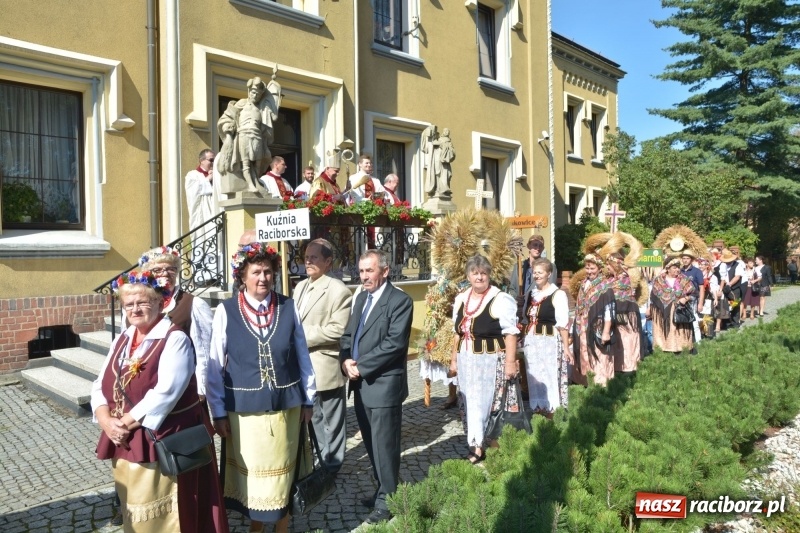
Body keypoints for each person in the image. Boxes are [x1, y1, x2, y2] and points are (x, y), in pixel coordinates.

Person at [91, 271, 227, 533]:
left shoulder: (174, 338)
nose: (135, 309)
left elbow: (165, 392)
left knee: (164, 513)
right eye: (129, 304)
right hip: (124, 438)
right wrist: (107, 421)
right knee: (133, 510)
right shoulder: (122, 340)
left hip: (162, 439)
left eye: (142, 302)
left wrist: (123, 424)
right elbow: (99, 384)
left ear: (160, 302)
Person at [207, 243, 316, 533]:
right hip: (244, 413)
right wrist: (217, 412)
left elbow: (303, 356)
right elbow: (214, 367)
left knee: (283, 475)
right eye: (256, 272)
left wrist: (309, 400)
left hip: (287, 408)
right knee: (254, 481)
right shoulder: (226, 311)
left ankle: (282, 529)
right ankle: (256, 530)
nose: (263, 278)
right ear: (242, 276)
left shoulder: (287, 306)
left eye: (268, 271)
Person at [339, 250, 413, 525]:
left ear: (385, 271)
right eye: (361, 271)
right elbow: (348, 334)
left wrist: (361, 366)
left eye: (369, 271)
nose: (364, 276)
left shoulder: (400, 301)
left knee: (385, 446)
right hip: (359, 385)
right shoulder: (360, 298)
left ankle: (388, 501)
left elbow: (394, 344)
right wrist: (345, 360)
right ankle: (383, 490)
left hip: (382, 385)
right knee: (371, 445)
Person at [449, 255, 518, 463]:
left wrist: (510, 362)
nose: (479, 277)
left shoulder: (500, 299)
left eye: (483, 273)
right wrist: (453, 359)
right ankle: (475, 445)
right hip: (466, 361)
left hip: (490, 362)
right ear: (468, 275)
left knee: (490, 403)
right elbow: (457, 333)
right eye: (475, 273)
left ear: (489, 275)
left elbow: (511, 333)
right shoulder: (461, 299)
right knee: (470, 401)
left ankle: (495, 445)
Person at [293, 239, 352, 474]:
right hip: (303, 365)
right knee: (314, 416)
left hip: (325, 364)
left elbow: (339, 329)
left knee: (332, 420)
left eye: (314, 257)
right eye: (306, 257)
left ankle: (333, 465)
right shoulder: (300, 287)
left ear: (328, 262)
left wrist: (302, 335)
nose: (308, 261)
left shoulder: (338, 290)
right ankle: (320, 460)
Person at [217, 76, 281, 193]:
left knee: (258, 162)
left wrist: (274, 100)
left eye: (258, 94)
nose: (255, 95)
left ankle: (255, 181)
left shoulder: (262, 108)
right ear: (249, 92)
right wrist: (228, 130)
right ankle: (250, 185)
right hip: (243, 134)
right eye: (253, 92)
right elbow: (229, 116)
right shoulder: (242, 103)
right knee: (245, 162)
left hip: (257, 136)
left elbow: (273, 118)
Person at [523, 258, 569, 416]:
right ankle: (538, 413)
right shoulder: (532, 294)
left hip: (549, 343)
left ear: (549, 274)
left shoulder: (558, 294)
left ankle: (552, 414)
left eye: (540, 272)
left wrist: (566, 348)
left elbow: (562, 324)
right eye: (534, 272)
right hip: (532, 342)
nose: (536, 275)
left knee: (549, 377)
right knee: (534, 377)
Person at [571, 254, 616, 386]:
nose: (589, 271)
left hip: (598, 327)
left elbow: (609, 309)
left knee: (599, 358)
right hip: (582, 328)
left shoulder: (605, 286)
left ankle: (600, 388)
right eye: (587, 268)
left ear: (600, 268)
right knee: (584, 357)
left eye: (592, 268)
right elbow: (579, 306)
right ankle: (586, 385)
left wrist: (606, 331)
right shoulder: (584, 284)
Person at [606, 252, 643, 373]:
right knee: (618, 340)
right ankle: (618, 367)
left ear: (614, 265)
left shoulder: (625, 278)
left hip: (627, 313)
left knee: (628, 340)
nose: (607, 267)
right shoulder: (611, 279)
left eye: (609, 264)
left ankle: (629, 368)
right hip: (616, 313)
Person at [649, 257, 695, 353]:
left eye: (678, 267)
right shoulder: (659, 280)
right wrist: (650, 309)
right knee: (663, 334)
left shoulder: (684, 279)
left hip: (679, 312)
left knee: (679, 333)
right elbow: (653, 297)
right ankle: (664, 350)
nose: (677, 269)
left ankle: (681, 350)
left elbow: (694, 293)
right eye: (674, 267)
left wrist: (685, 298)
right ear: (668, 268)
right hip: (662, 313)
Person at [185, 148, 217, 231]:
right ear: (202, 160)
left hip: (216, 212)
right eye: (211, 160)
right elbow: (193, 191)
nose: (213, 163)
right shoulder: (192, 175)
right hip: (202, 215)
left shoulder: (217, 174)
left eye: (215, 160)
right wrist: (208, 179)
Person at [680, 252, 704, 345]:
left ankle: (699, 342)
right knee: (682, 320)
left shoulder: (697, 271)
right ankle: (685, 341)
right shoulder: (680, 271)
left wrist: (700, 303)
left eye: (687, 258)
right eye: (684, 258)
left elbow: (701, 288)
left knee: (694, 320)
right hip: (681, 299)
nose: (685, 260)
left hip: (693, 298)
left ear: (691, 260)